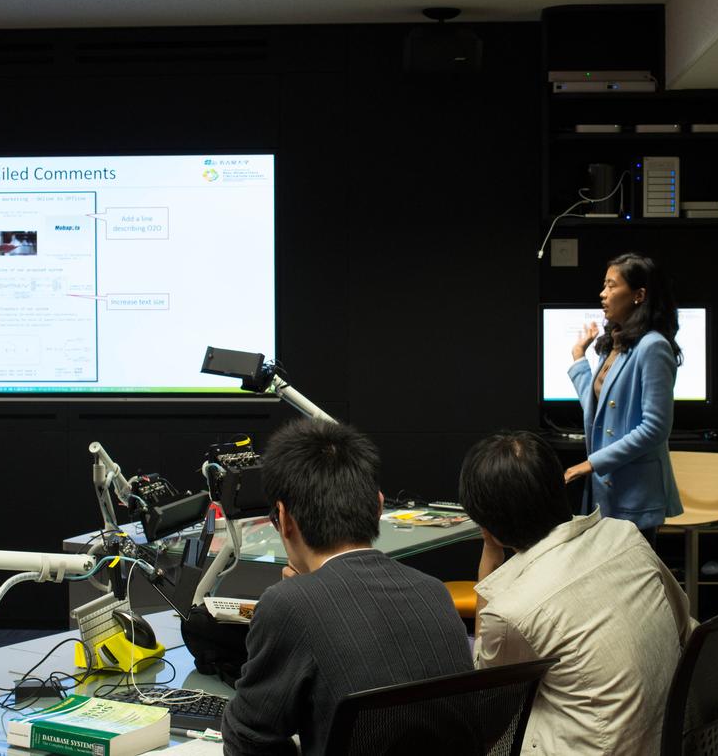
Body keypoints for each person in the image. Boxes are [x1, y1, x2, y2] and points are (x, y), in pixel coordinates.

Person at [220, 418, 473, 755]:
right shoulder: (433, 592)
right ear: (378, 505)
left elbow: (248, 737)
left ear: (283, 517)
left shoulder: (289, 604)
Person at [460, 430, 692, 755]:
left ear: (487, 526)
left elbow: (486, 701)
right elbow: (682, 623)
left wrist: (490, 552)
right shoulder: (625, 536)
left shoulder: (513, 610)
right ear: (559, 487)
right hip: (671, 737)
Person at [564, 252, 684, 542]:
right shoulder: (615, 343)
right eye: (604, 285)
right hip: (607, 488)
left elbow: (655, 428)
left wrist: (593, 463)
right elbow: (595, 408)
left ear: (638, 295)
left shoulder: (653, 347)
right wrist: (579, 358)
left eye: (611, 285)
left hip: (634, 493)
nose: (602, 293)